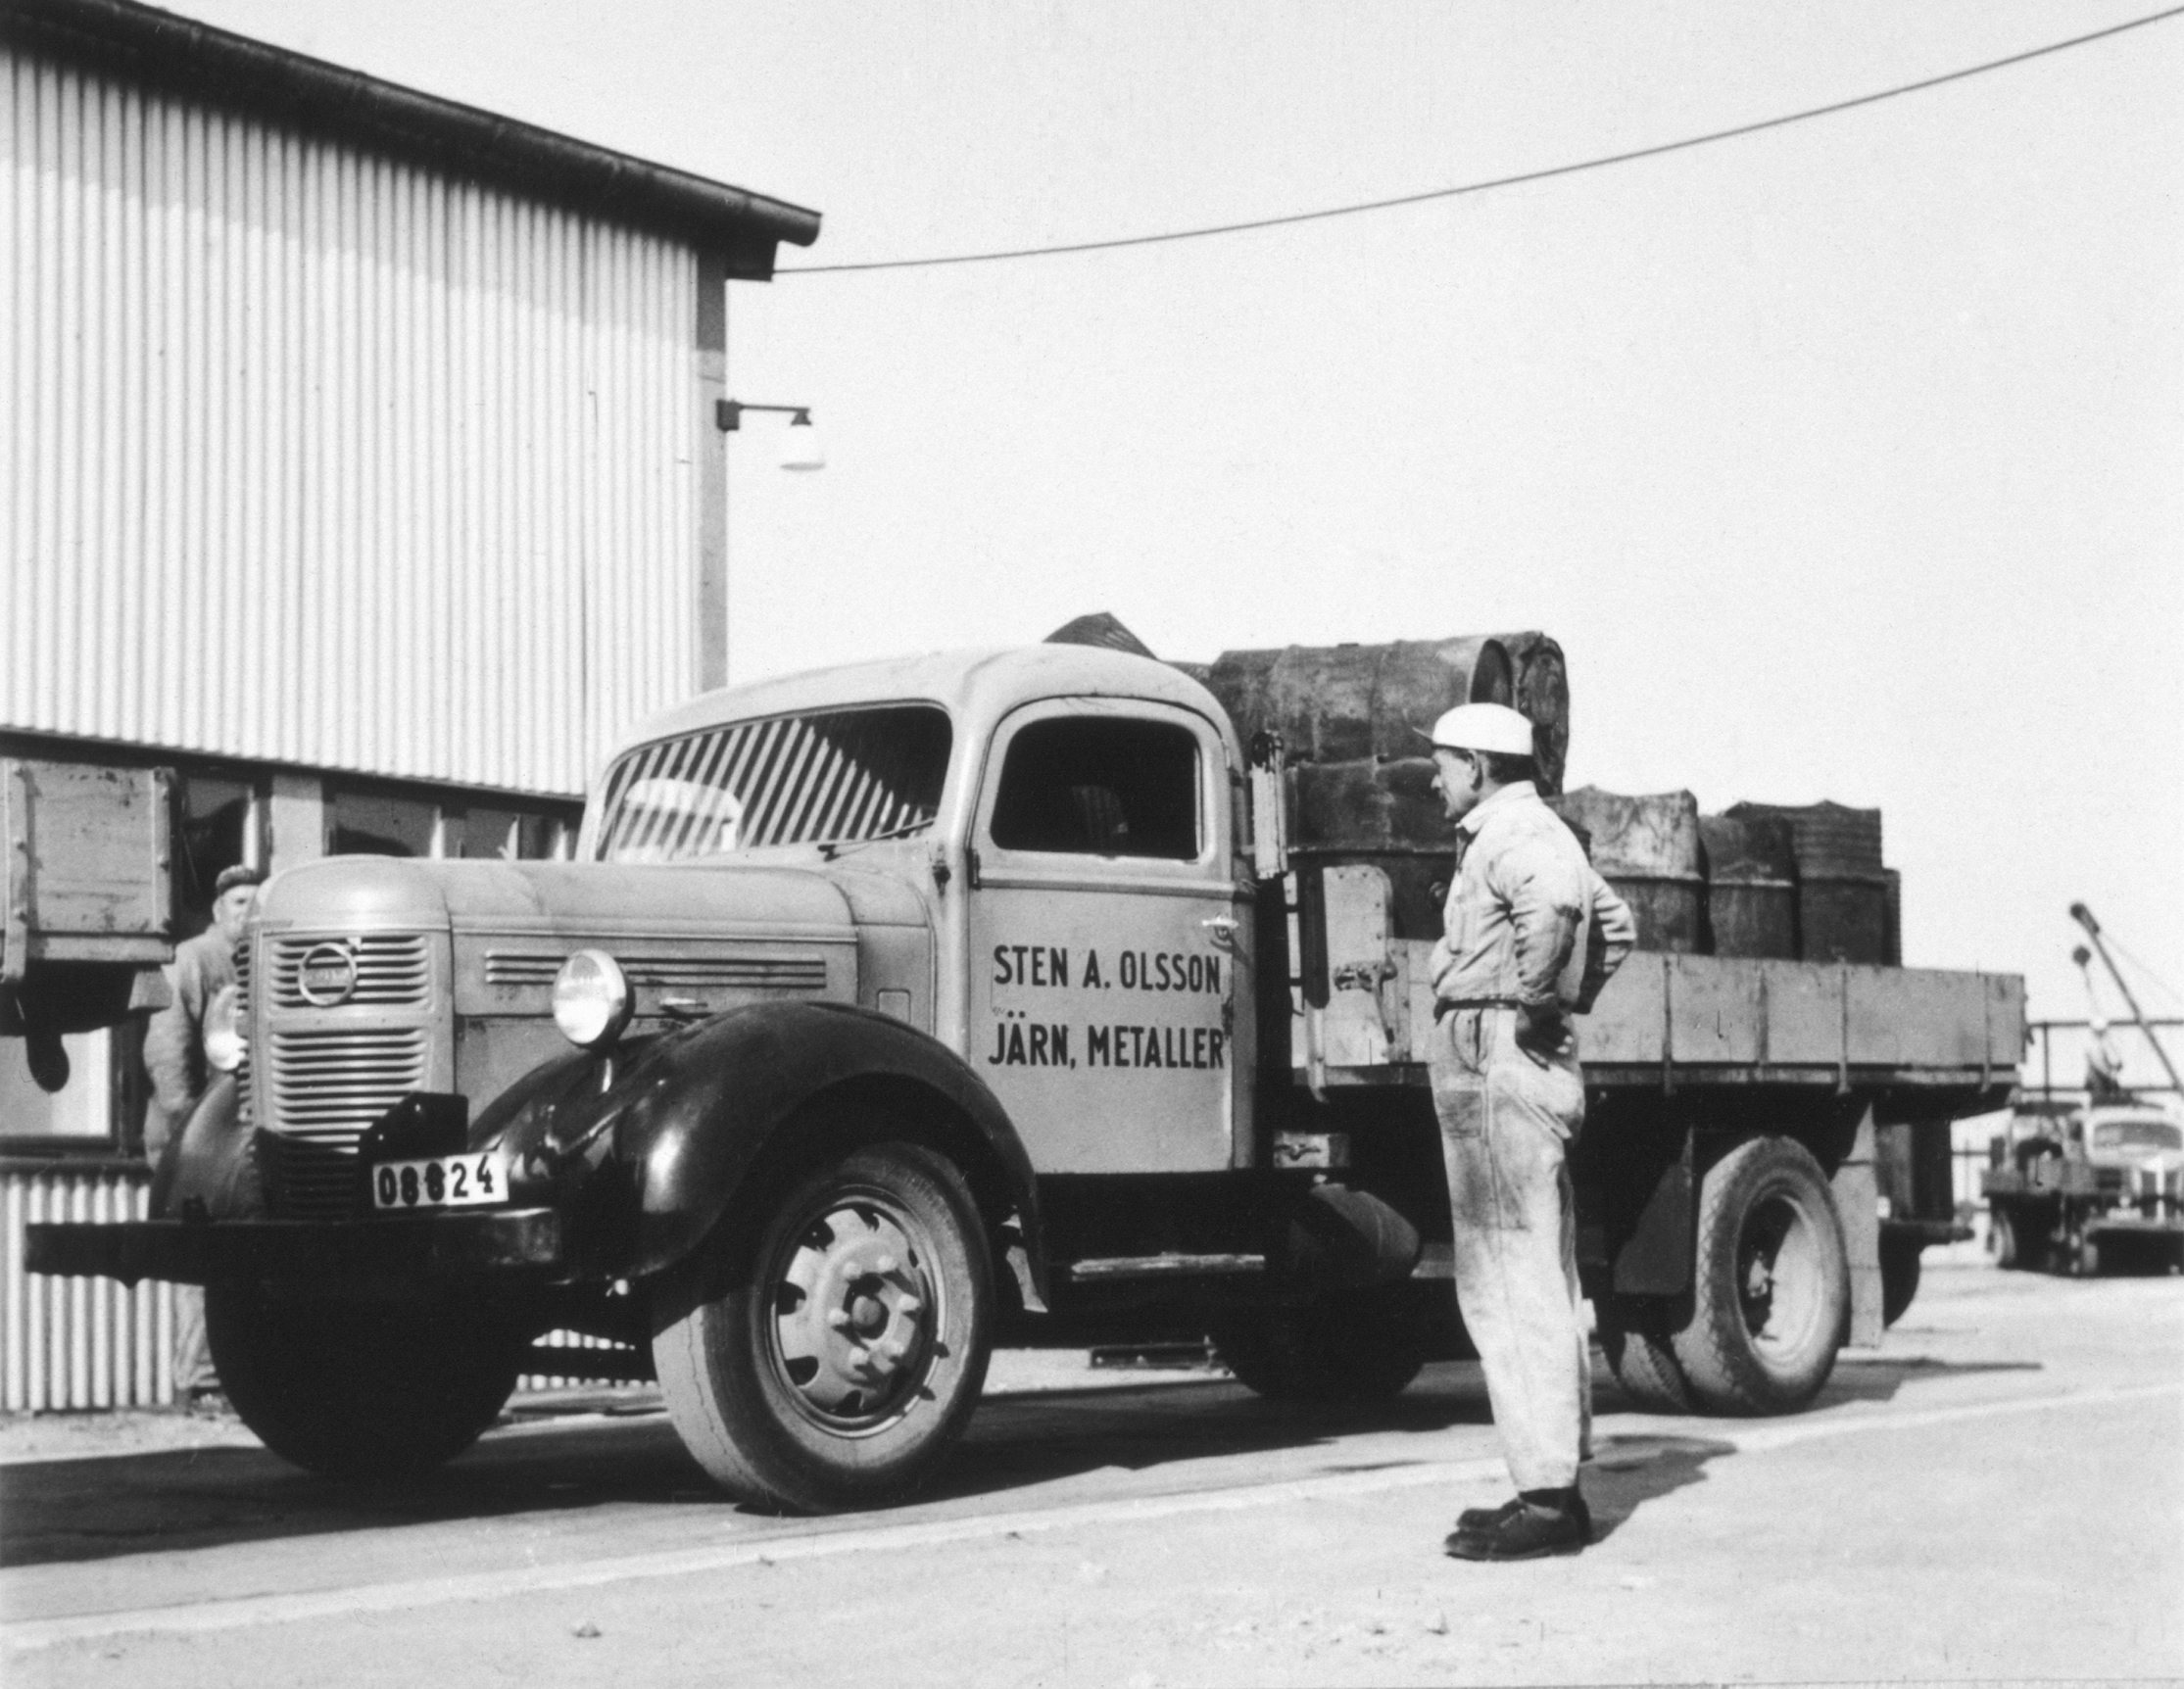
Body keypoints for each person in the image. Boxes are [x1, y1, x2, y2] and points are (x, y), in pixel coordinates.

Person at [1424, 703, 1634, 1561]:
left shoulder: (1510, 832)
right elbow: (1614, 924)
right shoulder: (1532, 829)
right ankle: (1548, 1480)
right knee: (1534, 1270)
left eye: (1441, 764)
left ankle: (1547, 1500)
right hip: (1511, 1054)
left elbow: (1552, 906)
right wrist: (1564, 999)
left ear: (1476, 765)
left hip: (1494, 1054)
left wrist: (1533, 999)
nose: (1435, 779)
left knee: (1508, 1276)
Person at [142, 863, 264, 1406]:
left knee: (242, 1257)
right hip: (195, 1136)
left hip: (248, 1137)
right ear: (218, 910)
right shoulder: (194, 958)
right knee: (203, 1256)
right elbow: (167, 1048)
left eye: (258, 902)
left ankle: (237, 1381)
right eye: (240, 903)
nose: (250, 911)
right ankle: (201, 1382)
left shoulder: (264, 960)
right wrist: (187, 1125)